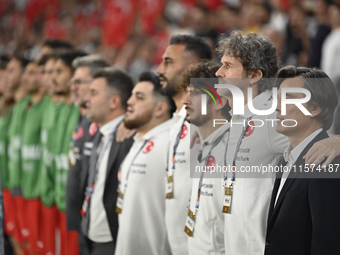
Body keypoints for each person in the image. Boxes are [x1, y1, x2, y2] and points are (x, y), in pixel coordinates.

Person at [215, 30, 288, 255]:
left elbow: (317, 141)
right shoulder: (237, 119)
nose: (218, 72)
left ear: (255, 75)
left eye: (228, 66)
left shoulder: (272, 116)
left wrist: (335, 142)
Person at [265, 66, 340, 255]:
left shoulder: (327, 162)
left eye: (288, 98)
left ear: (314, 108)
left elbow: (328, 243)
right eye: (278, 97)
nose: (277, 106)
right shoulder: (285, 160)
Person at [156, 34, 212, 255]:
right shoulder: (177, 120)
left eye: (168, 62)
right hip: (175, 244)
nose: (160, 69)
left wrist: (330, 140)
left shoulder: (211, 118)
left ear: (194, 67)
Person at [115, 71, 175, 255]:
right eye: (132, 95)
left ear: (160, 109)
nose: (130, 102)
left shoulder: (170, 143)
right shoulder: (140, 139)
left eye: (139, 98)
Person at [80, 68, 134, 254]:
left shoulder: (131, 137)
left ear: (114, 101)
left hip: (112, 240)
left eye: (93, 93)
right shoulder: (99, 132)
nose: (86, 99)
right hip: (90, 235)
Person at [181, 62, 231, 254]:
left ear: (219, 101)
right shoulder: (207, 145)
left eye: (193, 94)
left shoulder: (233, 151)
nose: (185, 100)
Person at [66, 54, 110, 255]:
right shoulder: (86, 120)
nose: (73, 87)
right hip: (84, 225)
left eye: (79, 82)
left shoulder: (115, 128)